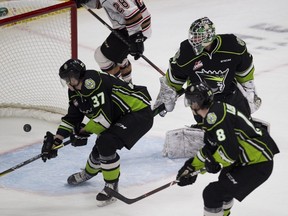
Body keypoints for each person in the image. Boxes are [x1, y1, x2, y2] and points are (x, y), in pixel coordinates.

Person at [41, 59, 154, 206]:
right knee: (101, 147)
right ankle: (89, 173)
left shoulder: (91, 83)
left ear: (77, 75)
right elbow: (73, 117)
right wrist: (57, 139)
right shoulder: (74, 90)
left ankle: (112, 186)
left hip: (138, 112)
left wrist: (83, 131)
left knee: (106, 142)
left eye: (69, 79)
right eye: (66, 80)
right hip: (118, 115)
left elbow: (104, 120)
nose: (68, 83)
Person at [176, 82, 279, 216]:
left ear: (195, 104)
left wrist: (212, 162)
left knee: (212, 193)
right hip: (248, 160)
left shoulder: (215, 118)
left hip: (257, 163)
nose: (190, 106)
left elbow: (230, 153)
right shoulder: (214, 112)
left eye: (190, 102)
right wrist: (191, 167)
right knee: (223, 187)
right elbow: (210, 148)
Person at [153, 17, 261, 122]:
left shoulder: (232, 46)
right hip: (202, 102)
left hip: (230, 94)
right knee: (211, 131)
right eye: (193, 37)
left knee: (242, 124)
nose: (194, 40)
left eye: (198, 37)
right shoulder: (186, 52)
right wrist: (165, 98)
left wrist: (249, 90)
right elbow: (174, 78)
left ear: (209, 36)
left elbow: (244, 70)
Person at [74, 0, 152, 83]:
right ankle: (128, 85)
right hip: (136, 27)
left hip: (133, 29)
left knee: (101, 57)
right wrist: (86, 2)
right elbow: (101, 3)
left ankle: (121, 88)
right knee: (119, 57)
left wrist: (136, 38)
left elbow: (133, 13)